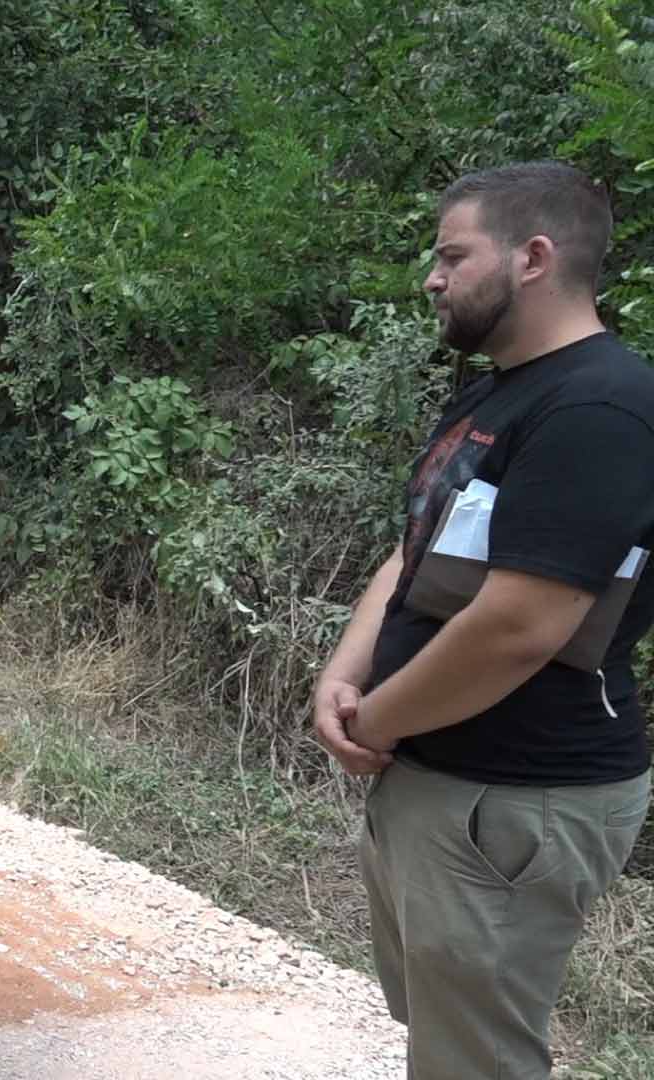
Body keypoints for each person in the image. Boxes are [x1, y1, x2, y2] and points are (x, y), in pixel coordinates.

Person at [313, 161, 654, 1079]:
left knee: (477, 1062)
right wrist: (344, 675)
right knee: (444, 1038)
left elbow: (519, 625)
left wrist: (374, 720)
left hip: (512, 797)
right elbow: (415, 548)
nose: (432, 278)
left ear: (532, 257)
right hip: (439, 779)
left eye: (452, 256)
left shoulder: (601, 407)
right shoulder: (500, 390)